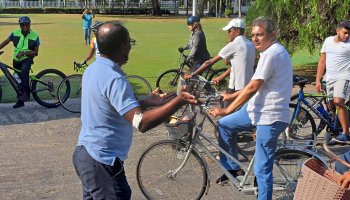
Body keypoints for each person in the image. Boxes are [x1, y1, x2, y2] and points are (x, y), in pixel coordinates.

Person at [72, 21, 197, 199]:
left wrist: (146, 101)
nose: (130, 47)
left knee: (122, 192)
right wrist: (179, 101)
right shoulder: (115, 79)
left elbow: (111, 105)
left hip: (88, 155)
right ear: (123, 46)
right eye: (130, 42)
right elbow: (141, 122)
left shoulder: (93, 69)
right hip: (101, 160)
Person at [209, 17, 293, 200]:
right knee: (224, 125)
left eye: (260, 35)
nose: (255, 38)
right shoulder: (266, 52)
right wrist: (231, 96)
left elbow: (253, 86)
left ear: (273, 35)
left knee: (262, 169)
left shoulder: (272, 53)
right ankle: (233, 168)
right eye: (253, 35)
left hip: (270, 116)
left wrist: (227, 108)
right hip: (256, 110)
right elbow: (256, 86)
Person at [184, 18, 256, 108]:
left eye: (230, 30)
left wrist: (193, 74)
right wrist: (221, 77)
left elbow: (210, 62)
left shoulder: (234, 44)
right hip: (248, 85)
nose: (228, 33)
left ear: (237, 31)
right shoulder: (250, 45)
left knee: (226, 113)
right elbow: (235, 66)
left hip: (237, 87)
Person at [315, 20, 350, 144]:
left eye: (349, 34)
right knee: (331, 106)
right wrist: (318, 79)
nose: (347, 36)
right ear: (337, 31)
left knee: (338, 101)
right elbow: (322, 61)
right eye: (345, 33)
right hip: (329, 78)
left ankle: (346, 134)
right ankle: (336, 130)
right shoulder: (328, 41)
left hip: (345, 77)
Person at [0, 16, 40, 108]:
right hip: (16, 59)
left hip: (27, 58)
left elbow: (36, 52)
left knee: (24, 71)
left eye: (26, 24)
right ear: (20, 25)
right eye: (22, 25)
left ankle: (26, 93)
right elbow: (6, 42)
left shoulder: (35, 35)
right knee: (17, 79)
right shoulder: (14, 34)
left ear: (29, 25)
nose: (24, 26)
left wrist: (24, 53)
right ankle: (20, 101)